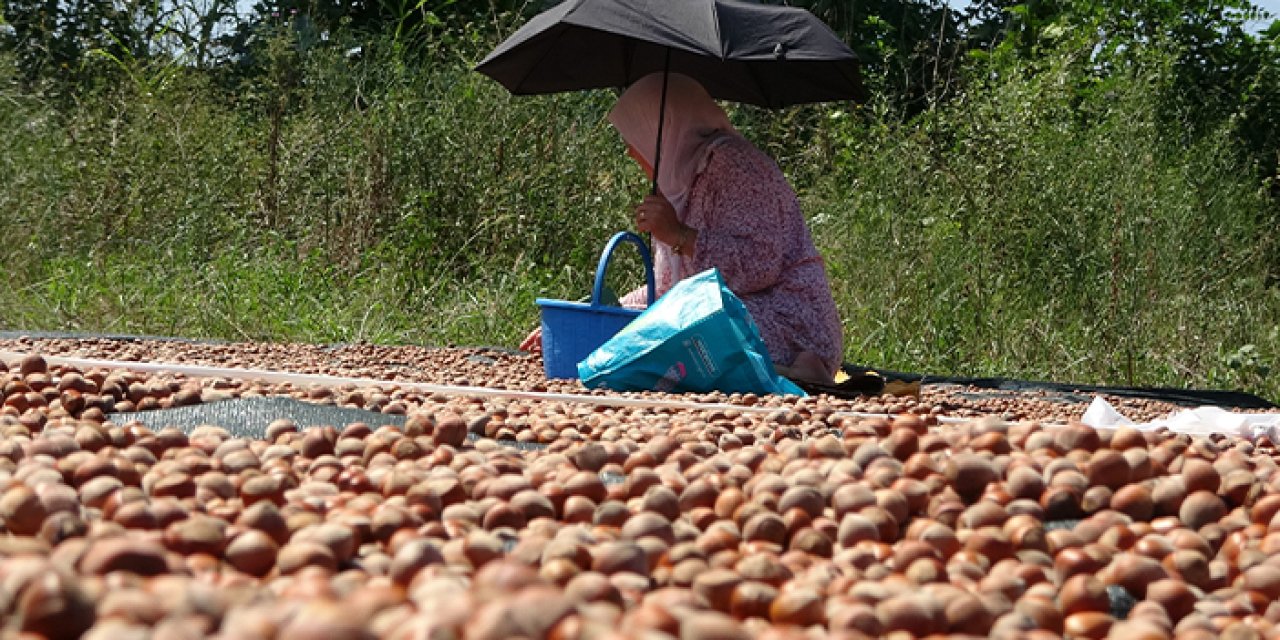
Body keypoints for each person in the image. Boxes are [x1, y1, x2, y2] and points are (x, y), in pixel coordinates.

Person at [522, 72, 843, 384]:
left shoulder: (737, 167)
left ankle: (801, 366)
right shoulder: (678, 185)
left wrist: (679, 235)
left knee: (679, 337)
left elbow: (762, 264)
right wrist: (591, 319)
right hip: (715, 312)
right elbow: (668, 292)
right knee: (652, 336)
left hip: (787, 317)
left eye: (636, 138)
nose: (631, 152)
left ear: (665, 133)